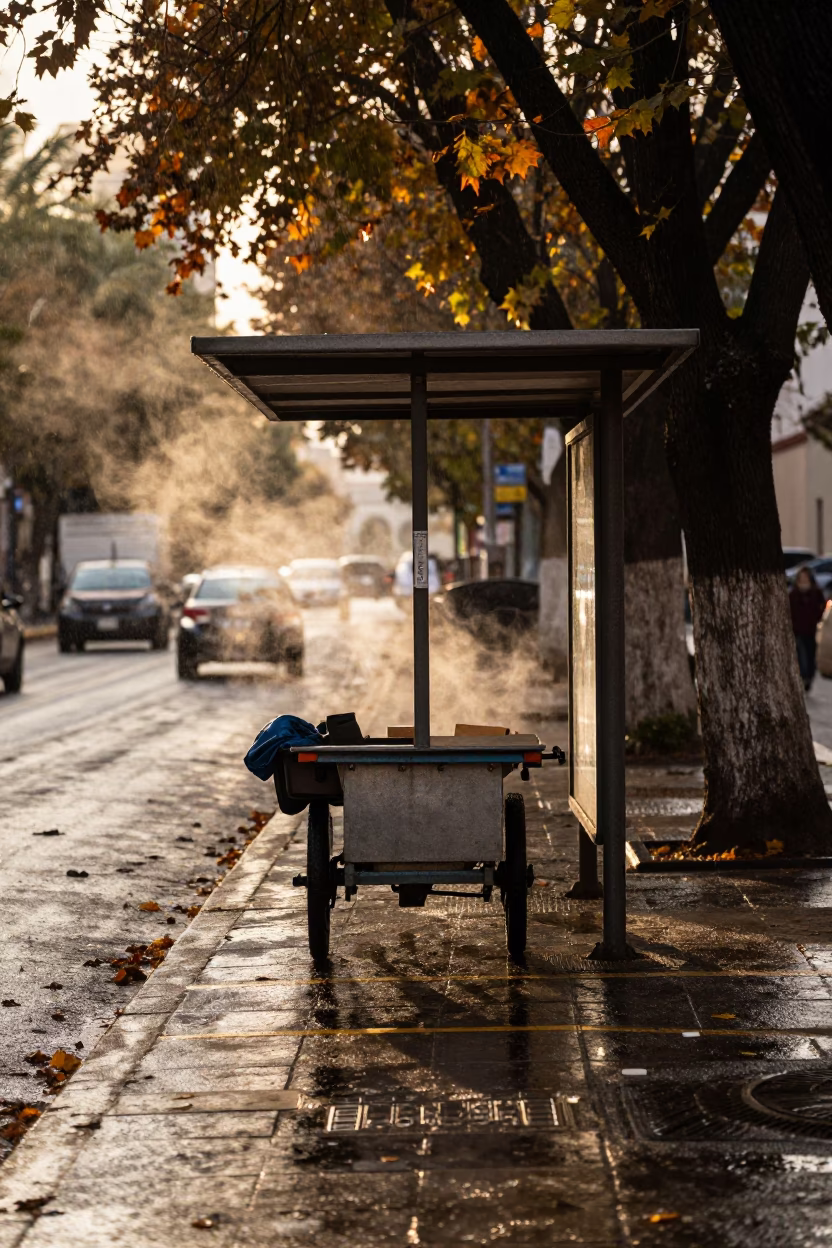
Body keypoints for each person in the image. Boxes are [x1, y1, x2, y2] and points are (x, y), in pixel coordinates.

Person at [789, 566, 827, 691]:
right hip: (798, 629)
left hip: (810, 628)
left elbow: (822, 606)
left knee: (810, 653)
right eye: (802, 577)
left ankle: (809, 676)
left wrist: (817, 617)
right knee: (801, 654)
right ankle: (804, 676)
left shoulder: (816, 592)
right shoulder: (794, 593)